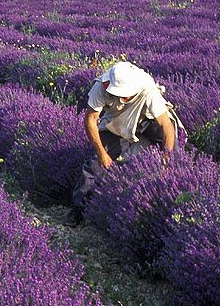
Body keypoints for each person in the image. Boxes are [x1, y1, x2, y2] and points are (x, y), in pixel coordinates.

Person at [74, 61, 180, 205]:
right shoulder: (101, 86)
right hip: (117, 121)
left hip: (148, 120)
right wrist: (102, 154)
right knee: (95, 166)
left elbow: (166, 125)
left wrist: (167, 159)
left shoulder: (146, 87)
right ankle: (80, 210)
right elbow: (90, 121)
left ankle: (172, 196)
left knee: (171, 148)